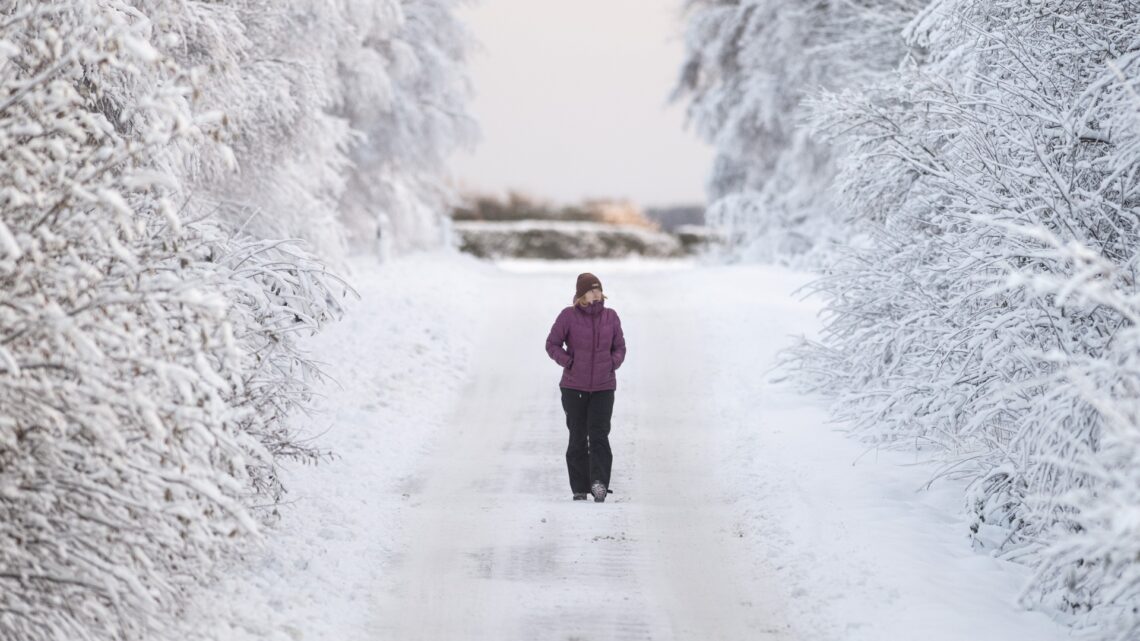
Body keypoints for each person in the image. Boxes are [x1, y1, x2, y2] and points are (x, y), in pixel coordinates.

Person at [544, 272, 627, 502]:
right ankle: (579, 487)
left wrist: (612, 363)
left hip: (603, 387)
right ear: (581, 295)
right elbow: (552, 344)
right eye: (591, 290)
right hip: (573, 387)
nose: (596, 293)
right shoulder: (568, 316)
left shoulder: (611, 317)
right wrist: (568, 362)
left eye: (598, 289)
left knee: (599, 434)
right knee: (578, 436)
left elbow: (620, 346)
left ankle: (599, 483)